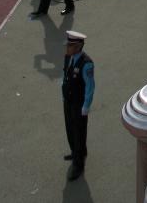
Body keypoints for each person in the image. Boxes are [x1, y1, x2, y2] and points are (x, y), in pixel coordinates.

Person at [61, 30, 95, 181]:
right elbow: (65, 75)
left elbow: (90, 86)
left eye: (70, 45)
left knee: (79, 132)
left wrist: (86, 106)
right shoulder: (68, 57)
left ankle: (78, 164)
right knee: (70, 128)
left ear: (79, 46)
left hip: (79, 103)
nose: (67, 47)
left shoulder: (86, 64)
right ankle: (76, 151)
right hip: (68, 101)